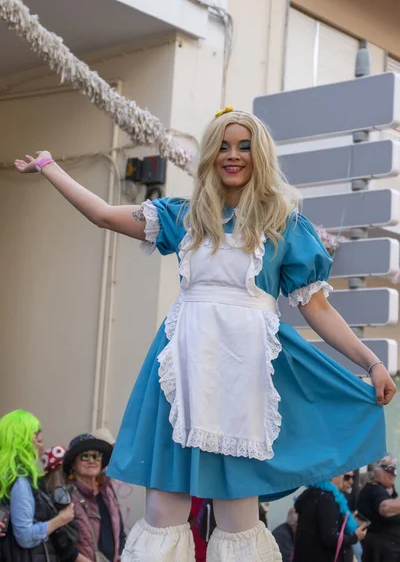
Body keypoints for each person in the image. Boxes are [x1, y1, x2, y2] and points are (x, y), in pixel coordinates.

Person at [14, 107, 396, 562]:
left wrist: (371, 363)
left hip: (246, 380)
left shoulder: (283, 226)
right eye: (223, 146)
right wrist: (49, 167)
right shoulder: (184, 217)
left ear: (261, 156)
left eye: (244, 146)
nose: (232, 156)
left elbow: (317, 309)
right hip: (185, 378)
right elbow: (102, 214)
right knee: (162, 514)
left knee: (239, 522)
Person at [0, 410, 75, 562]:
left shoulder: (11, 476)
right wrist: (61, 519)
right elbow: (25, 537)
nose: (42, 445)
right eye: (37, 439)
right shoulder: (20, 480)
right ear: (21, 442)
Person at [63, 434, 126, 562]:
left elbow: (120, 533)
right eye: (85, 456)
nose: (91, 460)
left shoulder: (107, 491)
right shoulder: (67, 496)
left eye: (96, 456)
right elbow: (63, 545)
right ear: (73, 464)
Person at [293, 476, 367, 562]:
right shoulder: (327, 499)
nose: (343, 478)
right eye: (342, 476)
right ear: (331, 477)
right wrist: (355, 537)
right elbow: (330, 537)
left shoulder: (310, 494)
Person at [357, 455, 400, 561]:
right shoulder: (375, 489)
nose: (394, 473)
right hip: (381, 552)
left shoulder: (383, 490)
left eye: (395, 468)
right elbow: (385, 508)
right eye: (390, 468)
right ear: (377, 471)